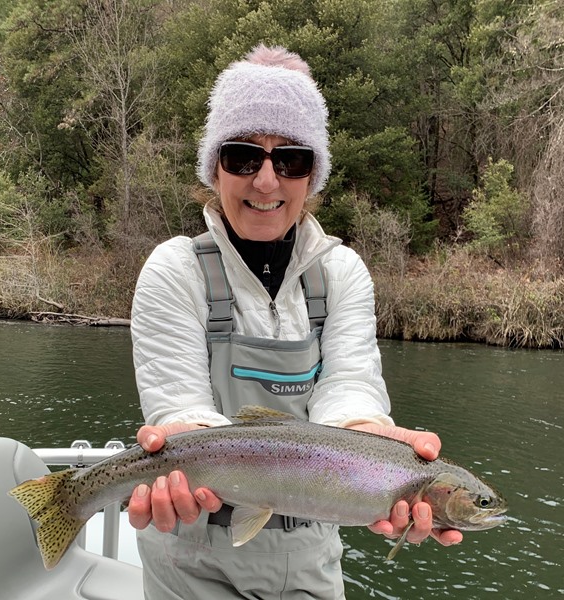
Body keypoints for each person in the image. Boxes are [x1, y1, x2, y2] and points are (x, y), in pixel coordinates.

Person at [128, 44, 462, 600]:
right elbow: (180, 406)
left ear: (313, 175)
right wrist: (189, 445)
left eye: (291, 160)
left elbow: (350, 388)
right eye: (242, 157)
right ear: (214, 167)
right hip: (188, 547)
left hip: (311, 549)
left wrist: (368, 437)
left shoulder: (342, 271)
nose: (266, 181)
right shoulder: (174, 268)